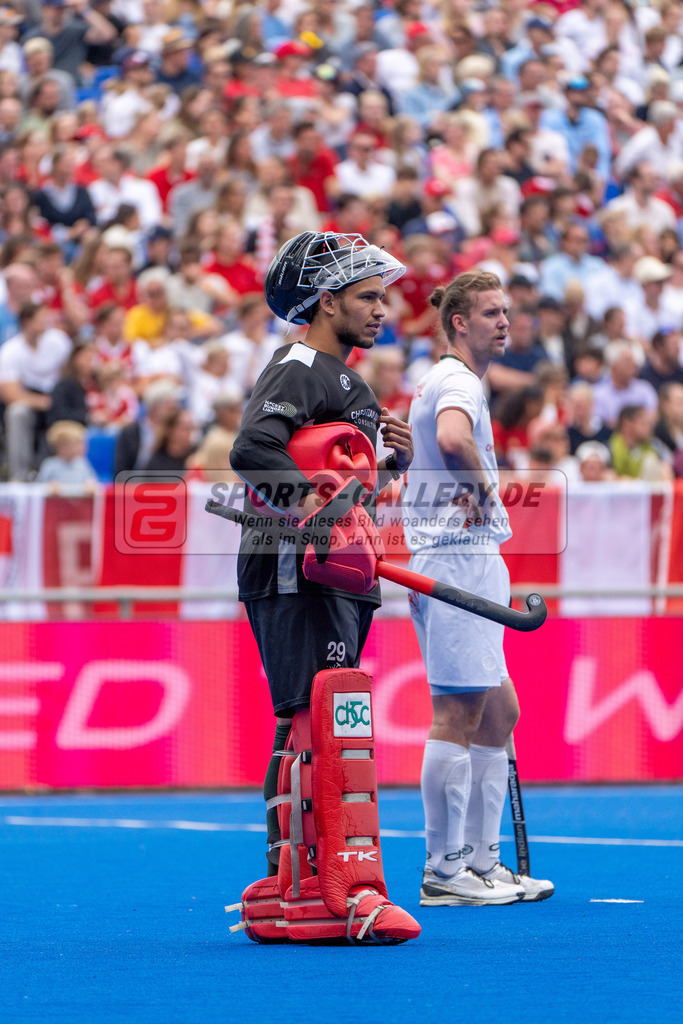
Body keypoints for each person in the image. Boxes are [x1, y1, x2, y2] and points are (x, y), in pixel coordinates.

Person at [227, 230, 420, 944]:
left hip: (342, 568)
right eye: (368, 297)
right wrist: (307, 503)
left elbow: (351, 491)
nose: (382, 310)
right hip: (294, 566)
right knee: (326, 722)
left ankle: (292, 891)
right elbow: (251, 449)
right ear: (327, 299)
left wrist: (390, 466)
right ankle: (343, 890)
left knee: (308, 722)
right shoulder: (302, 364)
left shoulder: (351, 384)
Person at [403, 269, 554, 907]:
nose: (504, 321)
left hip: (465, 558)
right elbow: (451, 438)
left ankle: (484, 863)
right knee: (459, 712)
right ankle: (445, 870)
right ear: (459, 322)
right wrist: (485, 492)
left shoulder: (455, 379)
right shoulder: (457, 379)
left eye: (506, 311)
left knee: (500, 711)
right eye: (491, 312)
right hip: (457, 559)